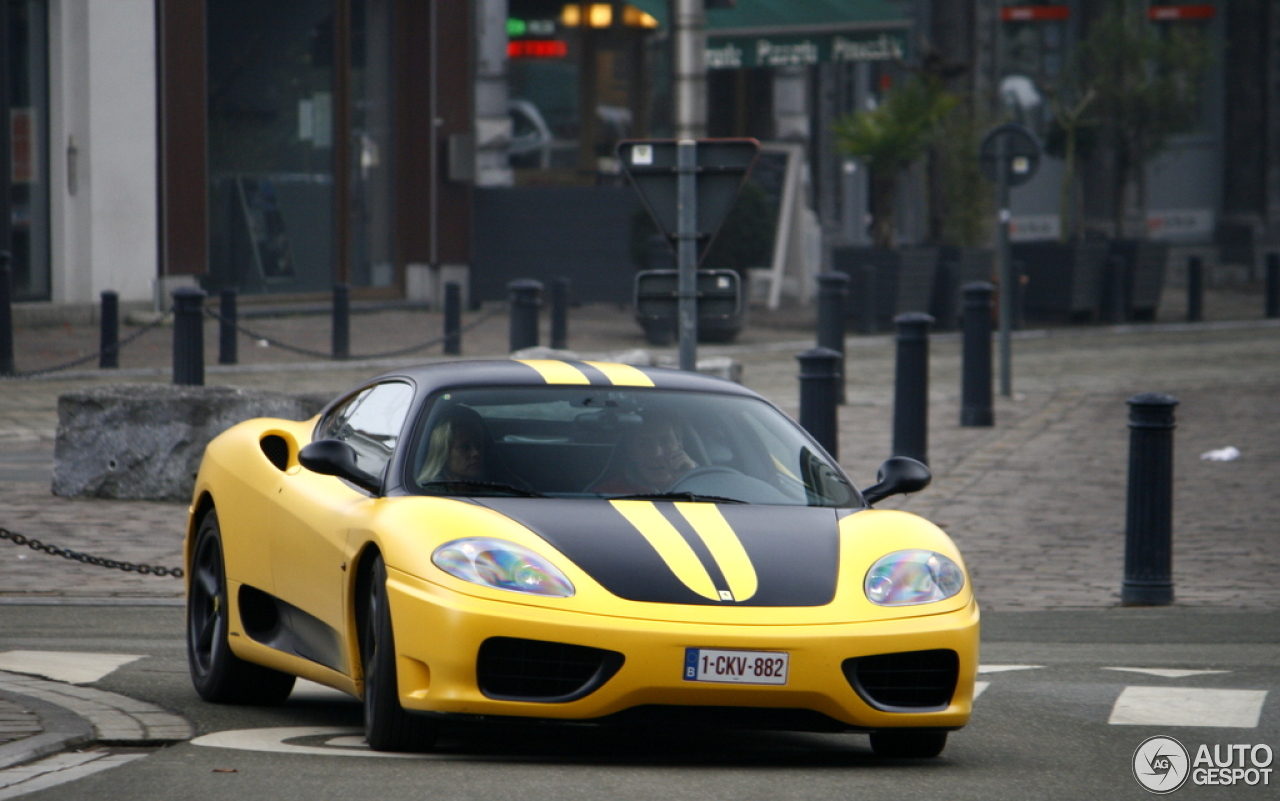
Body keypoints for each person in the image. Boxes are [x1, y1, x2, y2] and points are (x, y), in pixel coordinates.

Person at [591, 413, 698, 495]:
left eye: (665, 442)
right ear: (631, 451)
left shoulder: (706, 485)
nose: (656, 454)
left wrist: (690, 479)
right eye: (643, 444)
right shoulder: (607, 493)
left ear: (680, 445)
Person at [418, 407, 486, 483]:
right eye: (464, 447)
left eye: (478, 445)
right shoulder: (431, 489)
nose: (476, 453)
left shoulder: (482, 485)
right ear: (444, 454)